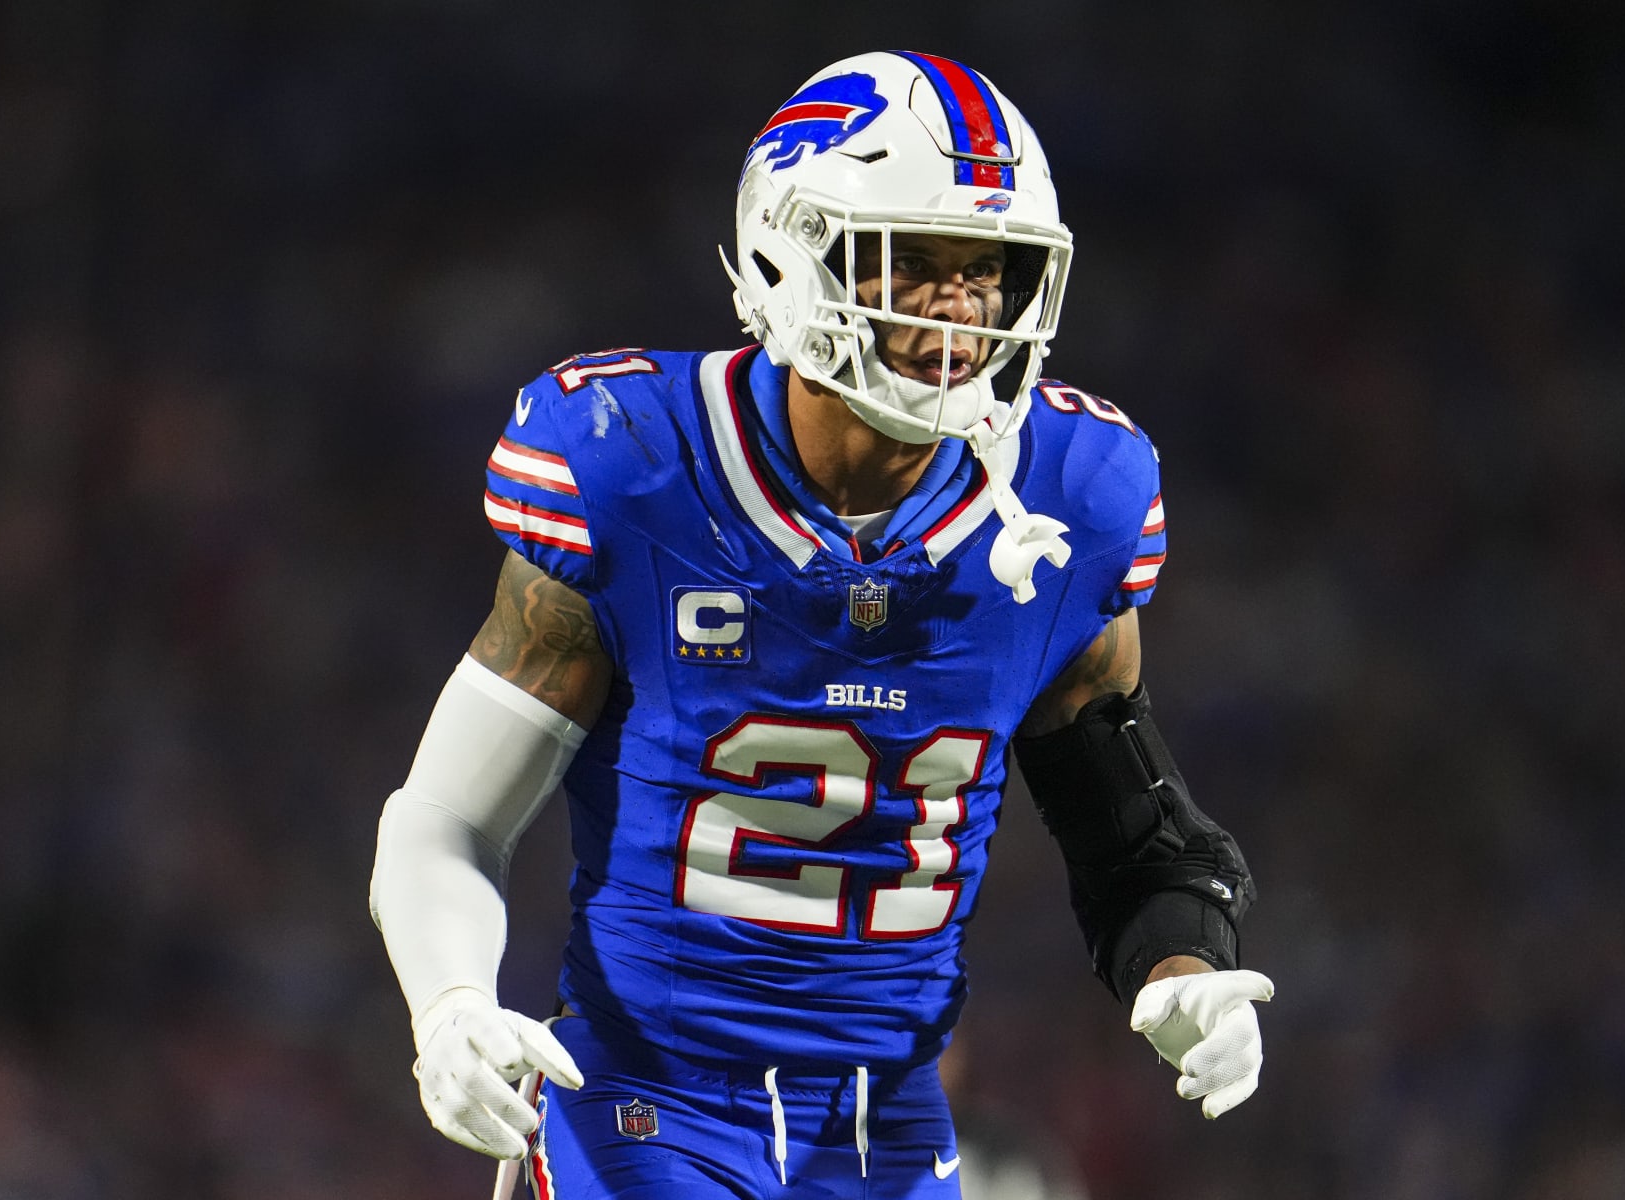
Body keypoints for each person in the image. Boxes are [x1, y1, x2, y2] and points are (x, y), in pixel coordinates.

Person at [370, 50, 1274, 1199]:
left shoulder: (1068, 501)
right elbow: (447, 815)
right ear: (789, 255)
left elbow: (1135, 837)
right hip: (649, 1104)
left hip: (890, 1129)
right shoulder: (637, 467)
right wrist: (447, 1006)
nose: (957, 309)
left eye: (986, 272)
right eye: (917, 264)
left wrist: (1180, 968)